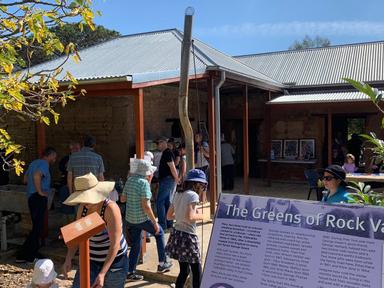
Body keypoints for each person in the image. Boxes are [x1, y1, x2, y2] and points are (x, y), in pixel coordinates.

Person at [62, 173, 128, 288]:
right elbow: (78, 236)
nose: (84, 202)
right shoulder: (82, 208)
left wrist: (102, 273)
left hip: (115, 261)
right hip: (91, 259)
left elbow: (115, 244)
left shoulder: (111, 209)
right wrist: (68, 258)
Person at [121, 159, 172, 281]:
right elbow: (146, 206)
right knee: (159, 232)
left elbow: (122, 199)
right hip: (142, 219)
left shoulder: (129, 181)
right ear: (146, 173)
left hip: (131, 219)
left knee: (135, 245)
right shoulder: (144, 183)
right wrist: (155, 222)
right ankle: (162, 263)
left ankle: (131, 271)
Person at [166, 169, 207, 288]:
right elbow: (190, 217)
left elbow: (169, 216)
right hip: (188, 237)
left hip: (177, 235)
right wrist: (203, 216)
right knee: (197, 270)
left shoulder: (178, 193)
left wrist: (181, 214)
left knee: (184, 270)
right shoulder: (193, 195)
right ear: (197, 184)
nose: (203, 188)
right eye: (203, 185)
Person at [16, 147, 57, 263]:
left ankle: (30, 253)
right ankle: (26, 255)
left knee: (36, 227)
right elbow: (36, 176)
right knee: (37, 228)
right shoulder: (44, 164)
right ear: (49, 155)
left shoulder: (34, 163)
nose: (55, 159)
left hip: (31, 197)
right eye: (54, 157)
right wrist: (40, 191)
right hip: (38, 197)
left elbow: (25, 179)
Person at [156, 136, 179, 231]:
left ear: (163, 143)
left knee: (160, 202)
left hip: (167, 180)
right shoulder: (166, 153)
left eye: (158, 143)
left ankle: (162, 224)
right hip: (167, 180)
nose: (157, 146)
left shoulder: (167, 152)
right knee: (167, 202)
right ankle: (168, 224)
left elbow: (172, 166)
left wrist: (176, 178)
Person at [58, 141, 81, 221]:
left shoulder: (81, 159)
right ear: (71, 149)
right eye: (76, 149)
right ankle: (66, 230)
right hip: (65, 186)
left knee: (76, 211)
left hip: (77, 188)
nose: (78, 150)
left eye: (79, 149)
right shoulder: (65, 159)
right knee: (66, 210)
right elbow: (62, 168)